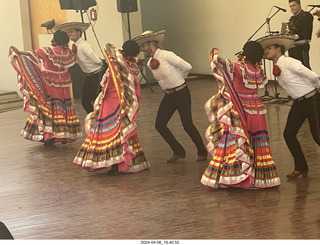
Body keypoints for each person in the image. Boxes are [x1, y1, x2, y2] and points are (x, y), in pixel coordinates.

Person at [201, 41, 281, 189]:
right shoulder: (258, 71)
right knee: (257, 142)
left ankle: (240, 178)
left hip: (240, 110)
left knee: (238, 142)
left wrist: (214, 54)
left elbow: (222, 61)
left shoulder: (239, 68)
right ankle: (260, 178)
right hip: (257, 112)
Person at [73, 40, 150, 174]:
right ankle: (121, 162)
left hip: (111, 102)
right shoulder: (132, 66)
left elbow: (108, 47)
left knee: (109, 131)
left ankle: (114, 164)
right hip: (121, 103)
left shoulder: (118, 65)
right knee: (121, 131)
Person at [133, 30, 207, 163]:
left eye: (144, 46)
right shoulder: (150, 63)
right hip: (168, 95)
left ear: (151, 43)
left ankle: (202, 151)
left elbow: (187, 67)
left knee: (187, 124)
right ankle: (178, 150)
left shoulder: (167, 55)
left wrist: (180, 80)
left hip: (181, 92)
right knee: (160, 124)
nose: (143, 49)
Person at [260, 35, 320, 179]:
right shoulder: (277, 66)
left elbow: (312, 76)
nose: (267, 51)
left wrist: (318, 89)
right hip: (299, 102)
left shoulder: (290, 62)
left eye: (269, 48)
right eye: (266, 49)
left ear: (279, 49)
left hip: (311, 99)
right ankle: (301, 167)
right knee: (289, 133)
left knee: (317, 135)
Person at [9, 31, 82, 146]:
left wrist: (18, 52)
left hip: (49, 83)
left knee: (48, 107)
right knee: (63, 107)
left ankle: (49, 135)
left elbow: (31, 54)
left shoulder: (49, 51)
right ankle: (63, 134)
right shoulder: (68, 52)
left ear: (55, 40)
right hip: (64, 83)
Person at [56, 22, 106, 114]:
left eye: (71, 32)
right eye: (68, 33)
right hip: (89, 76)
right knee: (85, 102)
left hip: (97, 74)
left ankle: (101, 120)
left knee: (96, 101)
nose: (69, 34)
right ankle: (95, 119)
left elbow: (97, 61)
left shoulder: (84, 46)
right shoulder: (74, 46)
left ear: (78, 32)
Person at [286, 0, 313, 69]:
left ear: (299, 5)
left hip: (301, 46)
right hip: (292, 47)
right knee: (294, 69)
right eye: (290, 6)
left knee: (304, 68)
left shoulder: (306, 15)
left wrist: (294, 30)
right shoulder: (292, 18)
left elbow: (306, 32)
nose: (292, 8)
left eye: (294, 5)